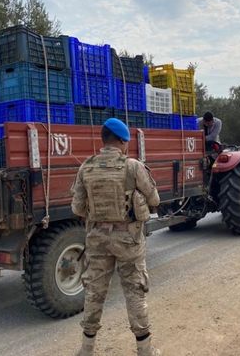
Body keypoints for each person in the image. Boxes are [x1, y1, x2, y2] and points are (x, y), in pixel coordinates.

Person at [72, 118, 161, 356]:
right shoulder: (133, 166)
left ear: (103, 140)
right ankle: (145, 350)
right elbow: (155, 200)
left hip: (97, 239)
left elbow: (78, 209)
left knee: (94, 292)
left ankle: (86, 349)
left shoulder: (86, 167)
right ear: (122, 141)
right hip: (128, 239)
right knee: (135, 291)